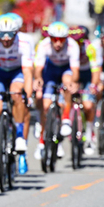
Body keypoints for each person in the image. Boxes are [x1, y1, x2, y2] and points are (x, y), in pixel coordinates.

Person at [0, 13, 34, 173]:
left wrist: (27, 96)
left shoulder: (24, 42)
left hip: (17, 72)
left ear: (16, 33)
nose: (6, 38)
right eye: (2, 35)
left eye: (10, 35)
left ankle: (20, 135)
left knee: (17, 95)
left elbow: (28, 72)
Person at [33, 21, 80, 161]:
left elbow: (75, 71)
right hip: (50, 71)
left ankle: (65, 118)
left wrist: (73, 83)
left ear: (66, 39)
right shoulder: (44, 44)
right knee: (46, 106)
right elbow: (38, 69)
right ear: (50, 38)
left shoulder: (73, 46)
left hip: (65, 69)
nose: (58, 43)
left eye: (61, 40)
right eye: (55, 39)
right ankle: (42, 140)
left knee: (67, 83)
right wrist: (39, 79)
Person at [69, 25, 101, 155]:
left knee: (88, 105)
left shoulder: (90, 48)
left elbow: (95, 69)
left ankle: (89, 134)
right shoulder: (67, 46)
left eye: (79, 41)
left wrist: (93, 85)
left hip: (87, 74)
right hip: (71, 74)